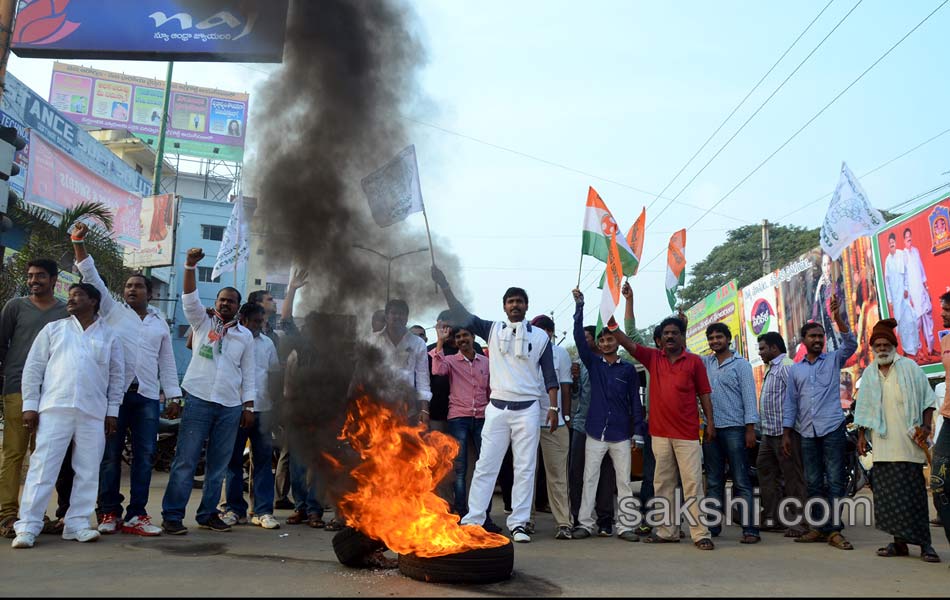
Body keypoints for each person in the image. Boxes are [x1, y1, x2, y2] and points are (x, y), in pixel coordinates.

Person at [432, 266, 559, 543]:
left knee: (525, 467)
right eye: (511, 301)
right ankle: (474, 518)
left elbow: (550, 375)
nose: (515, 305)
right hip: (498, 409)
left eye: (520, 301)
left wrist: (553, 408)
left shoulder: (540, 337)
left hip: (527, 410)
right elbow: (461, 312)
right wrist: (444, 284)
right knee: (487, 464)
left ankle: (519, 524)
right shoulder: (492, 329)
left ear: (527, 306)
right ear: (504, 307)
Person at [71, 223, 182, 537]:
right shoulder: (112, 311)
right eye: (128, 286)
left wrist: (173, 395)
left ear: (150, 292)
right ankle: (108, 512)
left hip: (147, 397)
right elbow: (90, 276)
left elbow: (167, 361)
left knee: (145, 457)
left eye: (138, 286)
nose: (132, 290)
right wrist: (78, 242)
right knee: (110, 457)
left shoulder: (159, 321)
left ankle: (137, 515)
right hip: (114, 397)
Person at [11, 283, 124, 548]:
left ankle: (77, 524)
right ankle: (28, 526)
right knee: (43, 468)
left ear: (93, 301)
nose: (71, 300)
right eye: (70, 295)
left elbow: (117, 377)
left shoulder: (109, 336)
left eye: (78, 296)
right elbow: (33, 368)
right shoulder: (54, 330)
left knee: (87, 470)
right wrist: (30, 405)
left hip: (93, 412)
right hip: (54, 407)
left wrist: (112, 411)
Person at [160, 248, 257, 535]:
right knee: (186, 460)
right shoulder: (202, 322)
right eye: (222, 300)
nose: (225, 304)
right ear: (215, 303)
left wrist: (249, 407)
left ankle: (207, 514)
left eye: (231, 301)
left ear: (238, 308)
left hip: (229, 406)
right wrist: (189, 266)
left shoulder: (244, 336)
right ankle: (173, 516)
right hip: (199, 400)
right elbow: (188, 298)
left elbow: (248, 374)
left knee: (220, 465)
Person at [609, 311, 716, 550]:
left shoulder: (694, 361)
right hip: (659, 434)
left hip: (687, 434)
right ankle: (668, 531)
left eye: (674, 333)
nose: (670, 337)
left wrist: (710, 422)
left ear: (682, 337)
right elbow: (629, 343)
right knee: (663, 484)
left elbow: (704, 393)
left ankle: (700, 534)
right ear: (661, 338)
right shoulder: (653, 358)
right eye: (666, 333)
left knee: (692, 484)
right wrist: (612, 324)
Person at [854, 319, 939, 562]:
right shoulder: (870, 373)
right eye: (877, 345)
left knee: (915, 500)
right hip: (882, 447)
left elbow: (927, 400)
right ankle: (898, 544)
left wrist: (925, 425)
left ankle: (926, 546)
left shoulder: (910, 368)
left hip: (908, 446)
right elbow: (864, 409)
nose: (881, 348)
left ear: (893, 345)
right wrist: (861, 436)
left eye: (885, 344)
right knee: (889, 500)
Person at [0, 259, 70, 538]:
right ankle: (7, 515)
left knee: (43, 457)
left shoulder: (66, 311)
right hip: (17, 388)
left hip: (53, 393)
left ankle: (34, 515)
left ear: (54, 279)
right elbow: (1, 344)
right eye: (30, 276)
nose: (33, 280)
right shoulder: (15, 307)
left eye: (40, 276)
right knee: (14, 453)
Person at [783, 293, 857, 550]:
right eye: (812, 336)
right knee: (813, 481)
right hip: (806, 432)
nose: (817, 340)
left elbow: (851, 345)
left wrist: (838, 319)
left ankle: (834, 530)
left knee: (836, 480)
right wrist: (786, 433)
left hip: (832, 428)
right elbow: (791, 402)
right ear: (804, 341)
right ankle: (817, 527)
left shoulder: (833, 359)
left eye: (820, 336)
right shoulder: (796, 369)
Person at [569, 289, 643, 542]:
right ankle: (585, 524)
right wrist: (579, 308)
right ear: (599, 345)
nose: (607, 343)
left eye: (611, 340)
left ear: (617, 343)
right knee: (590, 478)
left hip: (621, 434)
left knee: (623, 482)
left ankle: (625, 527)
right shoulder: (593, 364)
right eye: (603, 341)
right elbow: (579, 338)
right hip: (595, 431)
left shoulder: (629, 370)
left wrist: (638, 433)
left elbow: (635, 401)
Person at [220, 303, 281, 530]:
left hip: (263, 408)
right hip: (236, 407)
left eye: (261, 322)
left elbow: (274, 374)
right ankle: (235, 509)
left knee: (264, 461)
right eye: (255, 321)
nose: (258, 326)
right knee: (234, 460)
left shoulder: (267, 344)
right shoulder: (231, 339)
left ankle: (263, 511)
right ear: (243, 319)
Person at [701, 322, 759, 543]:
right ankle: (713, 528)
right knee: (714, 481)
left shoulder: (741, 364)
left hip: (736, 429)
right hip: (711, 430)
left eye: (719, 337)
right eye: (712, 338)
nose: (715, 341)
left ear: (728, 339)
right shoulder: (707, 362)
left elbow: (749, 397)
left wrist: (750, 428)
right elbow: (684, 352)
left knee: (741, 480)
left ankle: (750, 529)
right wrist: (684, 328)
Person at [430, 324, 490, 518]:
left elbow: (490, 389)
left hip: (482, 417)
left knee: (485, 465)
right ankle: (462, 512)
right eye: (458, 337)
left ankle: (483, 513)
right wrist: (440, 340)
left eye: (466, 335)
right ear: (454, 342)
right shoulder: (450, 361)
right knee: (460, 467)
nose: (462, 339)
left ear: (473, 337)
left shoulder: (485, 362)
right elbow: (437, 370)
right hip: (459, 418)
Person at [755, 332, 807, 538]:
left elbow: (796, 400)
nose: (760, 353)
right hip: (769, 433)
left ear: (774, 348)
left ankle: (799, 522)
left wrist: (789, 432)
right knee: (765, 471)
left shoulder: (787, 367)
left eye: (762, 349)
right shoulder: (771, 368)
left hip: (785, 434)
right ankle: (772, 518)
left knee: (792, 478)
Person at [568, 324, 617, 536]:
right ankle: (579, 518)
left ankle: (605, 521)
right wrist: (575, 379)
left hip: (607, 427)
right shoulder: (577, 366)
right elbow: (573, 395)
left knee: (606, 475)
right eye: (586, 338)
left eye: (589, 338)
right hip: (581, 425)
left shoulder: (613, 365)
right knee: (577, 473)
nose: (586, 341)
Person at [528, 314, 574, 540]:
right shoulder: (525, 350)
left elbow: (566, 387)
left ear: (550, 333)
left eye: (545, 330)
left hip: (554, 423)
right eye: (536, 329)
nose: (541, 334)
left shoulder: (560, 353)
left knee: (557, 474)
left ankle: (564, 522)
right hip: (526, 421)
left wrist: (564, 415)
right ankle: (525, 520)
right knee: (527, 474)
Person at [372, 299, 431, 426]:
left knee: (404, 444)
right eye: (394, 313)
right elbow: (364, 375)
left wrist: (424, 409)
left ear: (407, 318)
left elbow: (422, 378)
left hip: (408, 408)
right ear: (387, 316)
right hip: (378, 406)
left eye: (402, 313)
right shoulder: (373, 340)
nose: (398, 316)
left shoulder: (418, 343)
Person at [929, 291, 950, 548]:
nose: (942, 313)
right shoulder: (946, 340)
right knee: (939, 483)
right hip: (949, 419)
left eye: (946, 309)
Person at [902, 228, 936, 360]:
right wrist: (908, 298)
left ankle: (930, 349)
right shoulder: (903, 256)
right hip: (912, 296)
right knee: (916, 324)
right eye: (907, 237)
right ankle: (919, 351)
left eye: (910, 236)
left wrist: (927, 288)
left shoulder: (915, 251)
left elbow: (922, 272)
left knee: (928, 321)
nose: (909, 239)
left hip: (921, 291)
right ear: (904, 240)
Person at [883, 232, 920, 358]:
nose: (892, 244)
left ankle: (915, 347)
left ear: (895, 242)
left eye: (893, 242)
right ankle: (906, 349)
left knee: (911, 320)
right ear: (888, 245)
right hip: (895, 298)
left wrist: (906, 289)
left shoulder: (901, 255)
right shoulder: (887, 260)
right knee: (901, 325)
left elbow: (906, 274)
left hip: (904, 296)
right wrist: (890, 299)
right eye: (890, 243)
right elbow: (887, 282)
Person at [812, 253, 846, 352]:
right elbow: (815, 315)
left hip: (837, 326)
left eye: (828, 264)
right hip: (826, 330)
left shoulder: (836, 283)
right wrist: (818, 289)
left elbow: (841, 306)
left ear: (831, 265)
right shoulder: (820, 288)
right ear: (821, 267)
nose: (826, 268)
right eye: (824, 265)